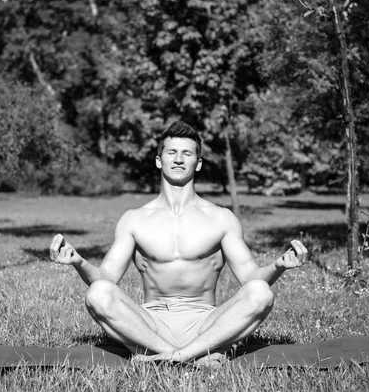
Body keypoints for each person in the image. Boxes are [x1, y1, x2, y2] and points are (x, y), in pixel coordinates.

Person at [50, 120, 308, 365]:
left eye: (187, 153)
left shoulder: (221, 218)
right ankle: (188, 355)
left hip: (206, 323)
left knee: (261, 292)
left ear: (197, 163)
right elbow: (105, 277)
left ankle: (172, 356)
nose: (179, 158)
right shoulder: (134, 219)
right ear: (159, 160)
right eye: (172, 152)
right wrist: (78, 262)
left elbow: (251, 277)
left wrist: (279, 266)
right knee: (97, 293)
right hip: (150, 323)